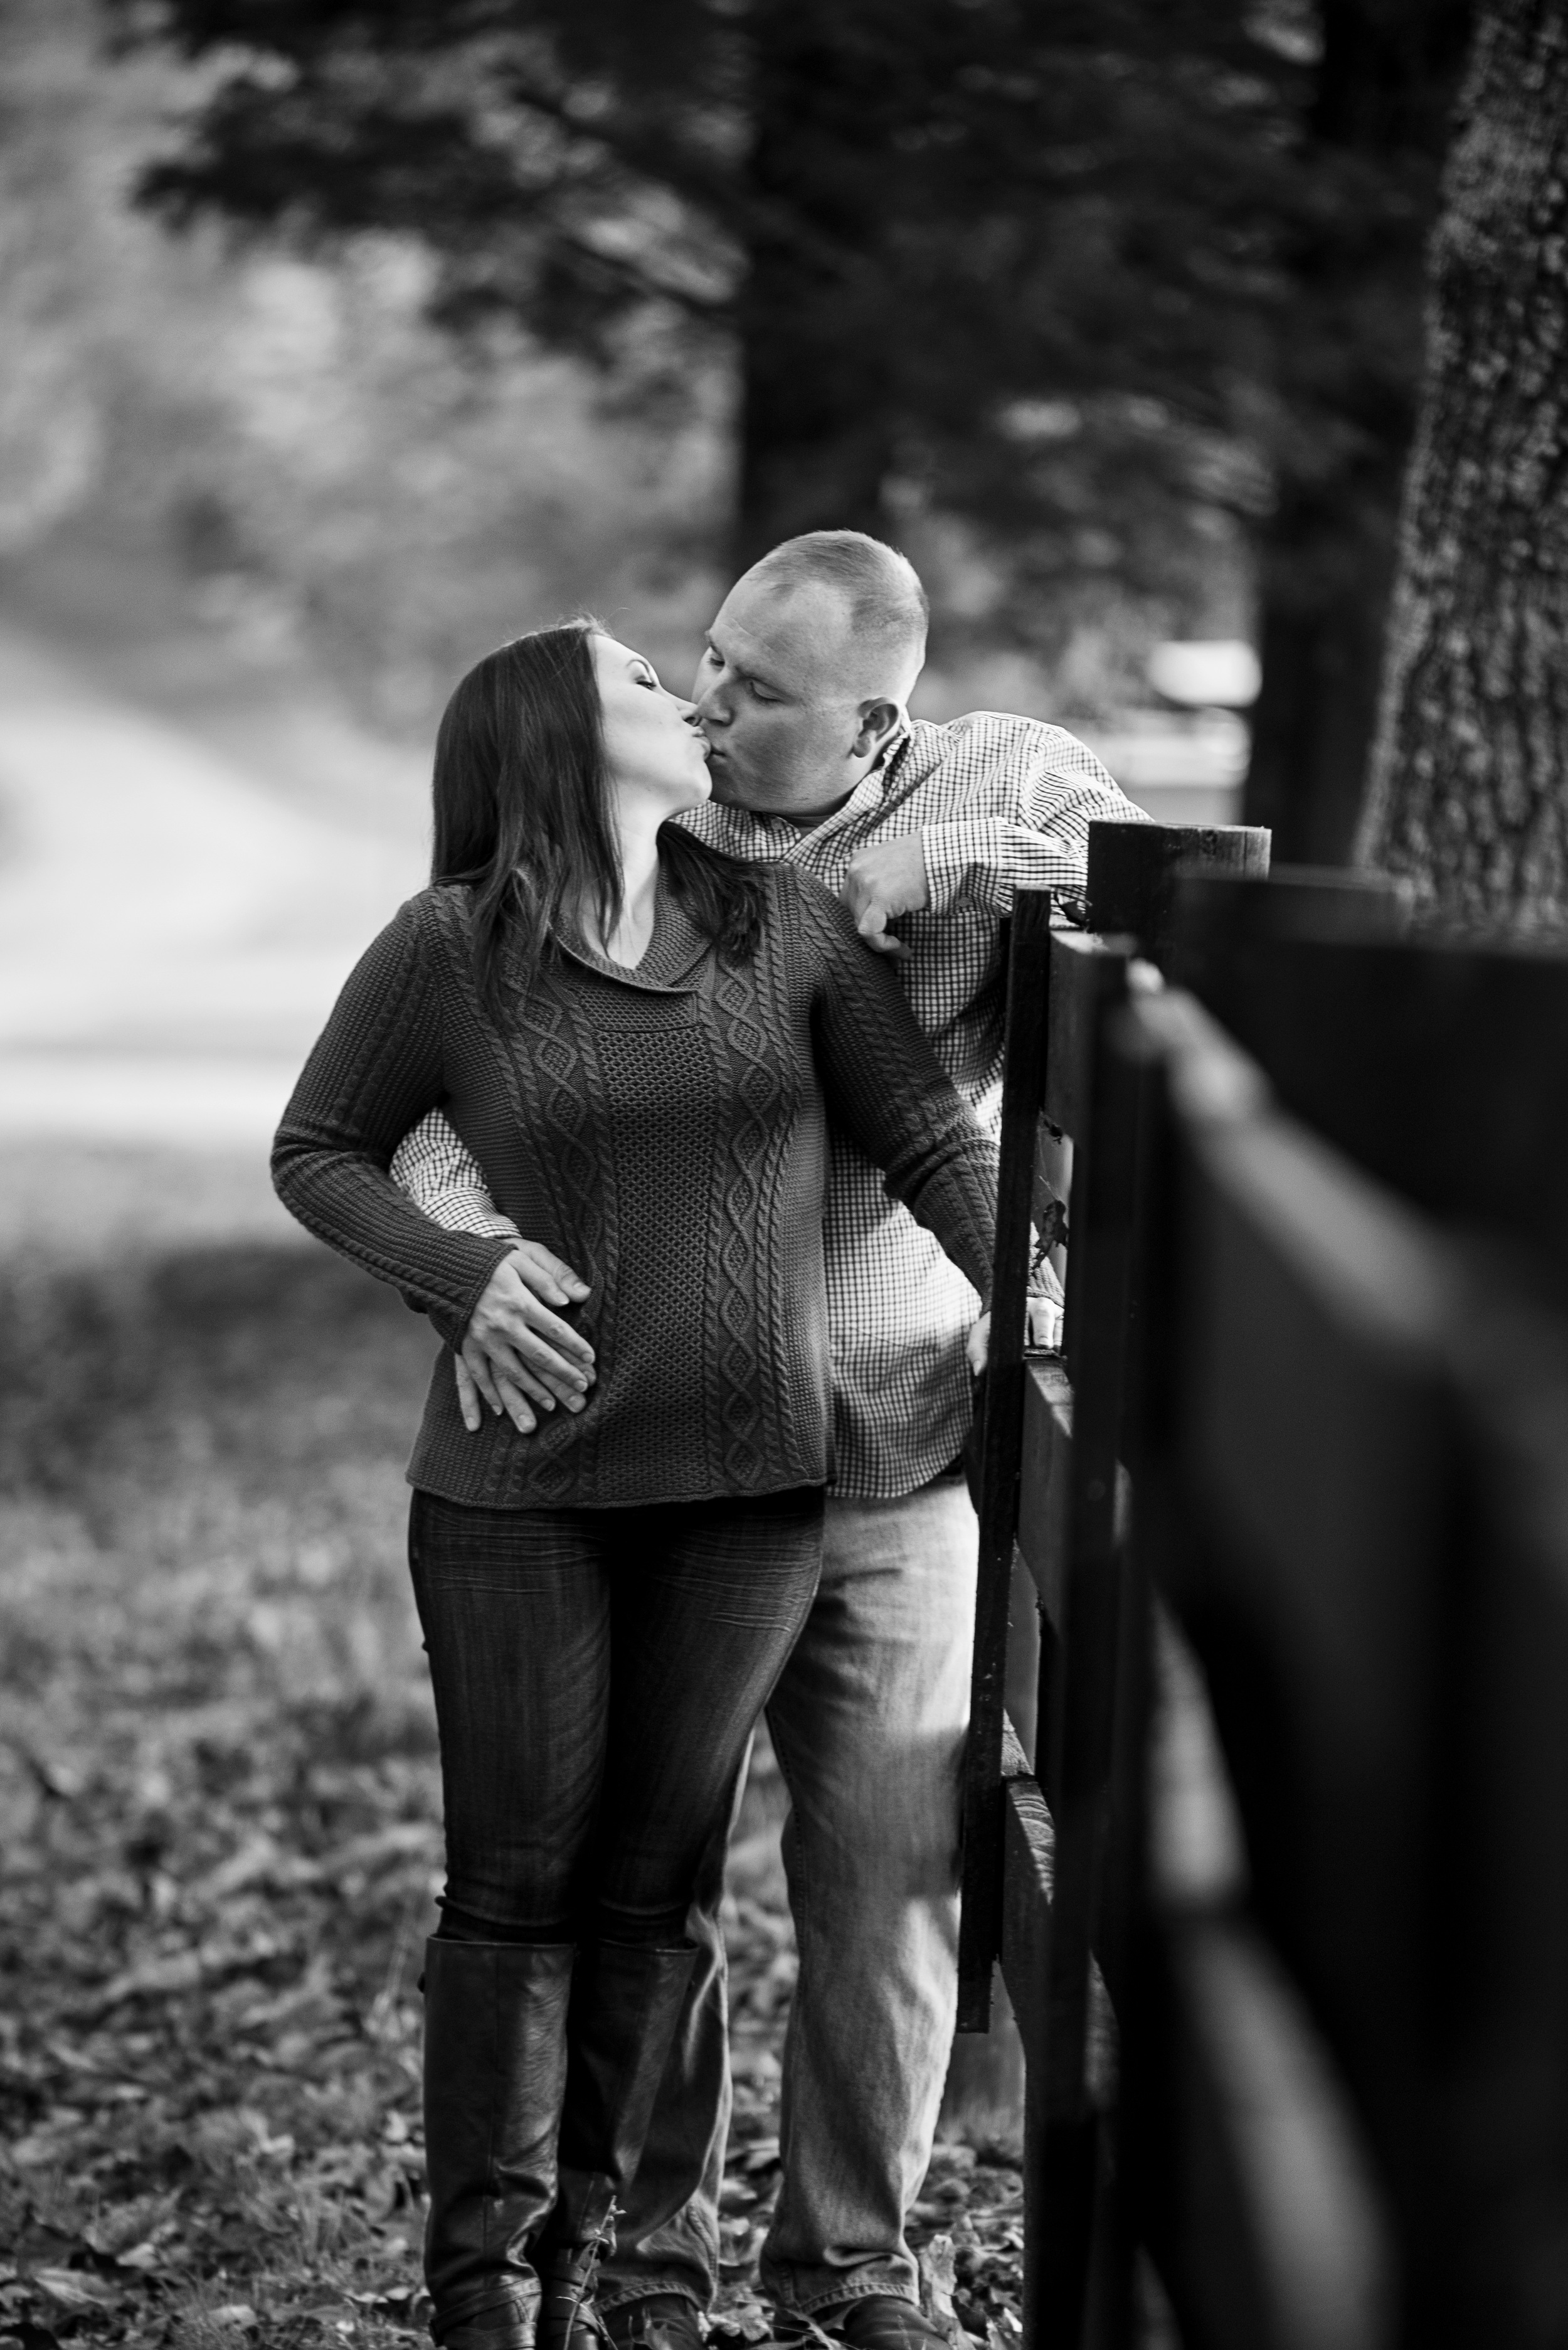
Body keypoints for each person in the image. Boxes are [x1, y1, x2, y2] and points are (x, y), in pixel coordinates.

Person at [393, 536, 1148, 2350]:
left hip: (891, 1456)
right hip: (676, 1466)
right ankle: (651, 2259)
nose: (711, 705)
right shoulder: (651, 825)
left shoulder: (997, 779)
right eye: (704, 668)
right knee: (650, 1870)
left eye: (757, 689)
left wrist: (905, 869)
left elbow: (1130, 897)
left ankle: (848, 2262)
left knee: (885, 1878)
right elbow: (437, 1073)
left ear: (875, 714)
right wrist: (474, 1266)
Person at [270, 619, 1000, 2350]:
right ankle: (484, 2284)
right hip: (522, 1493)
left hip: (749, 1495)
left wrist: (1071, 1318)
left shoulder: (783, 922)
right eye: (638, 683)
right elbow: (316, 1149)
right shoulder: (449, 950)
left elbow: (929, 1141)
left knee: (657, 1891)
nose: (682, 697)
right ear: (552, 740)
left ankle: (619, 2265)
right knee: (512, 1885)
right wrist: (459, 1274)